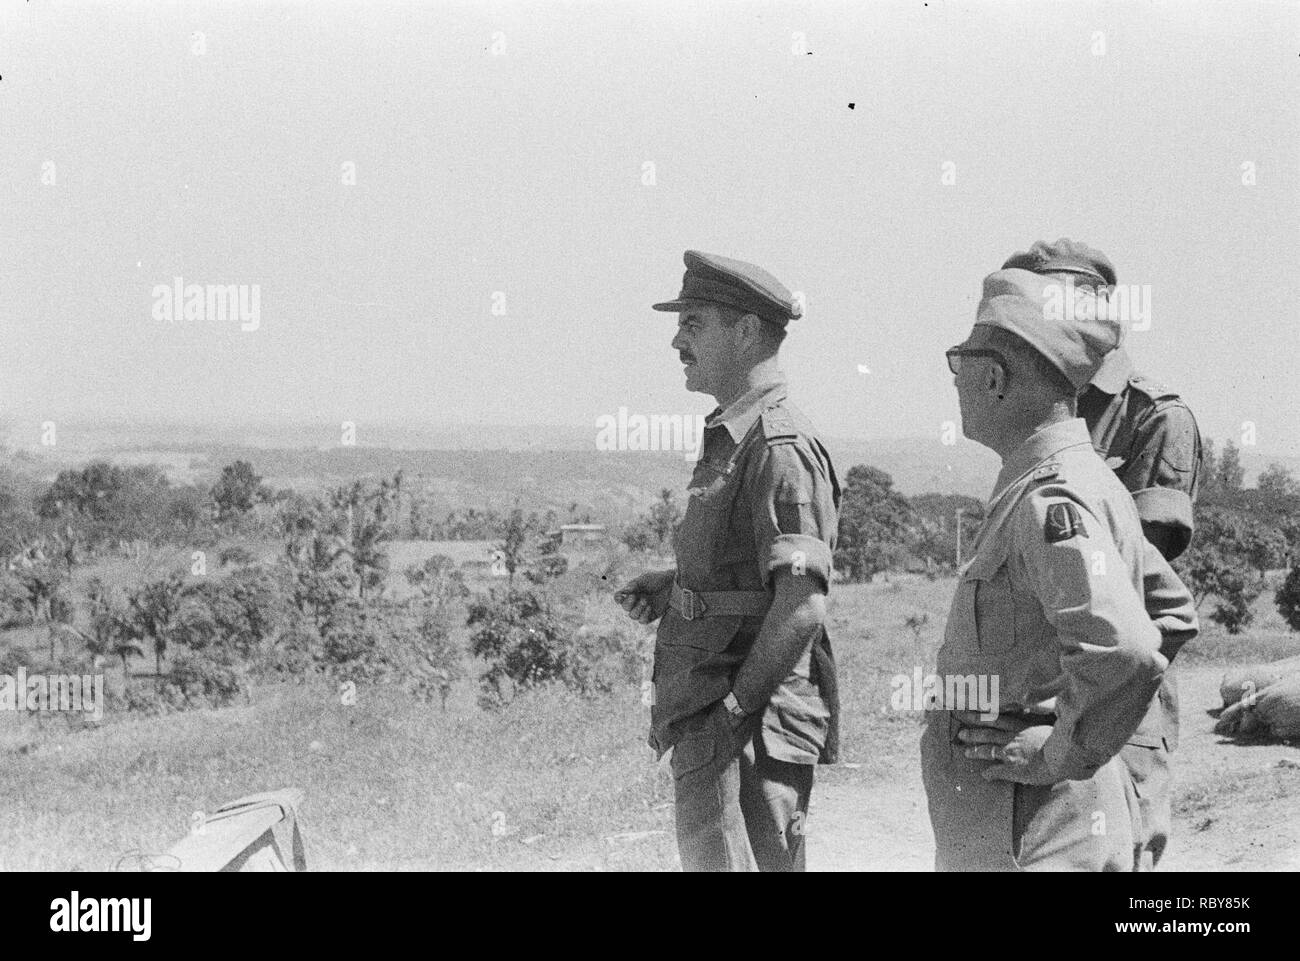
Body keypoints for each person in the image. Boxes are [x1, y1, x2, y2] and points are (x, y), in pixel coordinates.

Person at [920, 266, 1198, 870]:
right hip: (1037, 820)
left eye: (959, 361)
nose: (956, 379)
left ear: (993, 377)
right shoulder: (1081, 478)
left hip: (1031, 824)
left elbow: (1124, 647)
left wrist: (1058, 755)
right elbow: (1170, 611)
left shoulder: (1052, 497)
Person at [615, 250, 840, 872]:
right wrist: (679, 588)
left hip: (748, 724)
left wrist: (733, 714)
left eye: (694, 323)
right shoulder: (736, 435)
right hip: (718, 712)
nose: (677, 341)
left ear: (745, 331)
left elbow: (803, 604)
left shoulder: (778, 446)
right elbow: (759, 573)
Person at [1003, 239, 1203, 867]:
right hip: (1037, 702)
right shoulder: (1031, 407)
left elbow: (1138, 595)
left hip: (1118, 710)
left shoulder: (1154, 417)